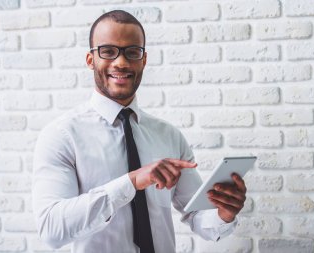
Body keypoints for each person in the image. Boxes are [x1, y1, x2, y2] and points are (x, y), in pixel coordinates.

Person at [32, 10, 247, 253]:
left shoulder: (169, 136)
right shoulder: (62, 135)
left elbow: (199, 218)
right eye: (108, 51)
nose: (121, 62)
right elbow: (51, 230)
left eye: (132, 52)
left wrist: (224, 213)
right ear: (91, 60)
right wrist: (131, 182)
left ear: (143, 60)